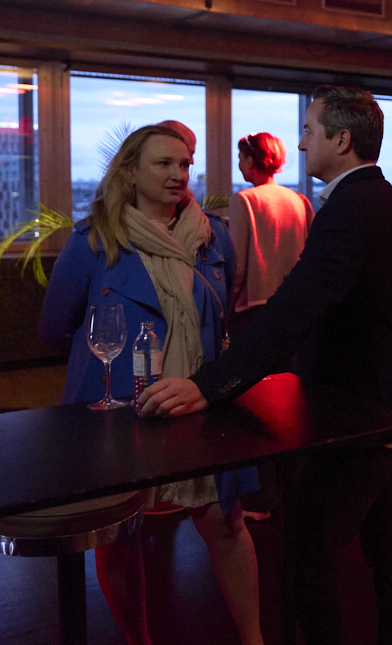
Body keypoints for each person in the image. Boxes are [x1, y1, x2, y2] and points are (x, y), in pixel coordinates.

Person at [141, 86, 392, 645]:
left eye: (308, 131)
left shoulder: (350, 208)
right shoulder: (382, 200)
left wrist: (210, 384)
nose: (300, 145)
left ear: (341, 140)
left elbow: (293, 312)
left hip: (366, 418)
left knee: (307, 558)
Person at [38, 124, 262, 645]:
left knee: (226, 524)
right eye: (163, 163)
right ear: (131, 172)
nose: (178, 174)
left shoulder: (213, 236)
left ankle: (254, 639)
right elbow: (56, 327)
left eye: (184, 164)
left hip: (199, 406)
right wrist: (110, 365)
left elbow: (223, 312)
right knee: (119, 538)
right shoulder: (94, 239)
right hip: (119, 413)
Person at [229, 131, 315, 335]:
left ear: (250, 161)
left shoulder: (244, 200)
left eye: (240, 158)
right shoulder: (299, 200)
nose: (239, 165)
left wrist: (227, 304)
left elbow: (237, 266)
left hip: (253, 308)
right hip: (294, 303)